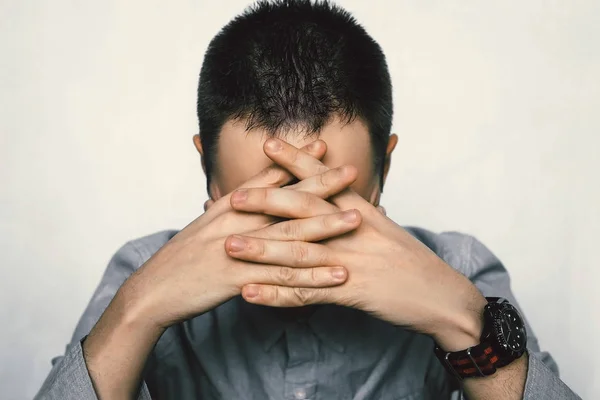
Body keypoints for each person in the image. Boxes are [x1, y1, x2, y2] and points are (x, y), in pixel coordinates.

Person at [35, 1, 580, 399]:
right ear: (209, 172)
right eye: (263, 205)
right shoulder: (141, 272)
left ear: (383, 167)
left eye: (332, 201)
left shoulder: (458, 267)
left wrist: (466, 325)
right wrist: (135, 314)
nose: (297, 240)